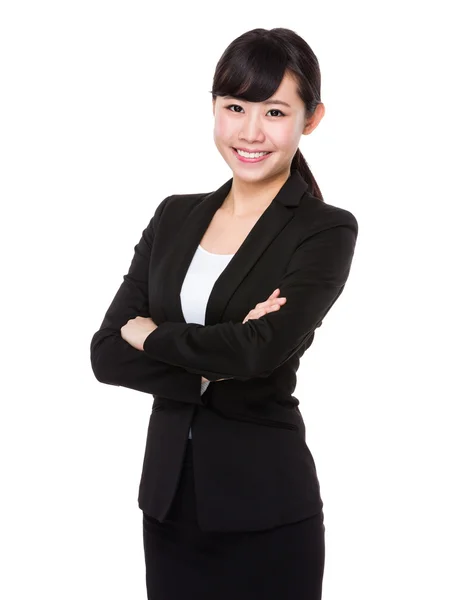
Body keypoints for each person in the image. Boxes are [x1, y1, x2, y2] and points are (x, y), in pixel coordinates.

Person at [90, 27, 358, 600]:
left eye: (275, 111)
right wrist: (220, 354)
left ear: (311, 119)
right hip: (167, 507)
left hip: (267, 509)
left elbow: (260, 352)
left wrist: (153, 334)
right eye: (235, 107)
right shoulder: (173, 217)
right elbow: (107, 352)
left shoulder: (324, 229)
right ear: (213, 108)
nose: (251, 131)